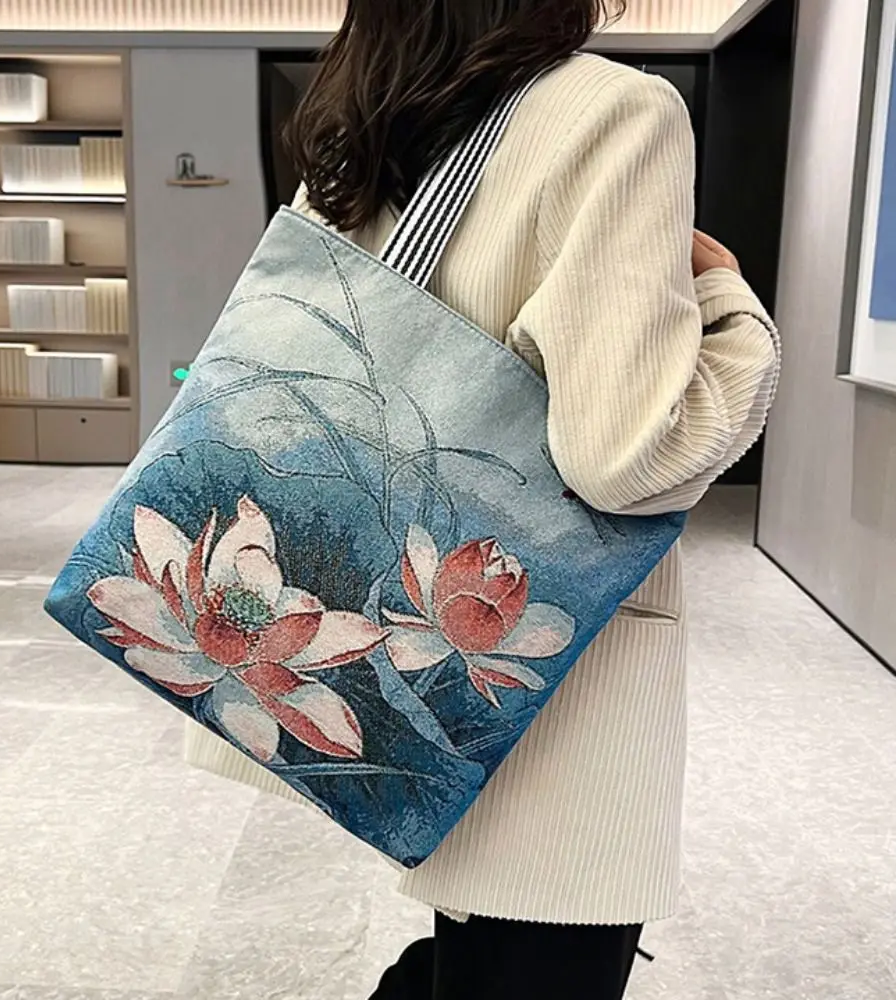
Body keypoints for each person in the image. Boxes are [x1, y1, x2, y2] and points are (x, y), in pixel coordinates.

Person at [185, 1, 781, 996]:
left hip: (388, 618)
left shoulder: (366, 115)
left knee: (480, 945)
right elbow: (630, 459)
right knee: (543, 952)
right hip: (543, 653)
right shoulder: (616, 111)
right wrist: (728, 302)